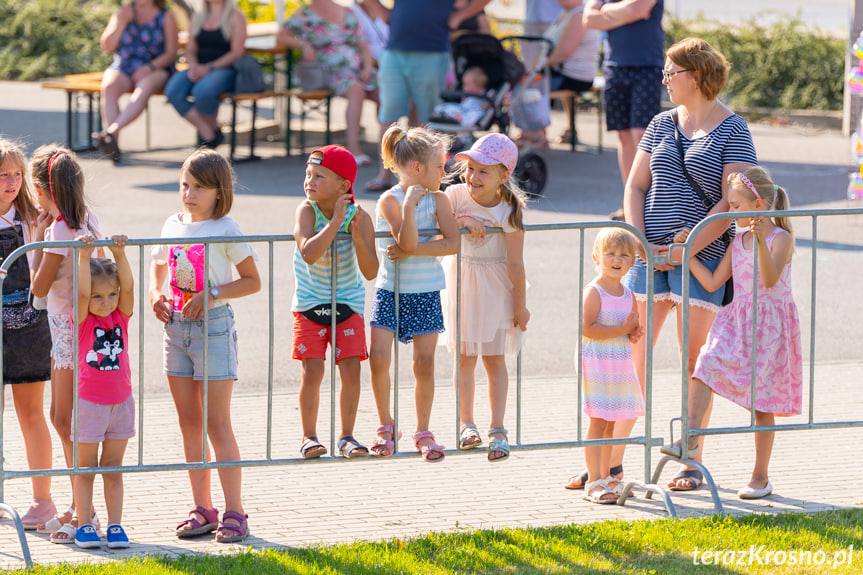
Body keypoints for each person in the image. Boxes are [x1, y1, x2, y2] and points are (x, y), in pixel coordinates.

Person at [621, 37, 757, 492]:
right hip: (650, 256)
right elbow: (636, 185)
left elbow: (732, 200)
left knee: (693, 362)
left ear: (696, 76)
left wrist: (692, 245)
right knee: (630, 356)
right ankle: (612, 460)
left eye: (670, 72)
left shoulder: (734, 129)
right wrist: (640, 241)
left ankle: (690, 460)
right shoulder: (660, 124)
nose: (663, 79)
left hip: (703, 260)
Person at [150, 148, 260, 542]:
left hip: (213, 329)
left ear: (219, 191)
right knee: (189, 424)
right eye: (185, 185)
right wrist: (154, 293)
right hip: (176, 329)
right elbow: (159, 263)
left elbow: (251, 280)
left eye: (199, 187)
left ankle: (236, 512)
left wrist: (212, 293)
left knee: (217, 423)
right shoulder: (171, 224)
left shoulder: (227, 228)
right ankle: (203, 508)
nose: (189, 194)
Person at [670, 167, 801, 499]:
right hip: (737, 319)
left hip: (769, 325)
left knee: (762, 402)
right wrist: (688, 255)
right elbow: (714, 281)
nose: (730, 212)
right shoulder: (738, 240)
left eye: (736, 206)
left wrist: (759, 239)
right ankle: (690, 438)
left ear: (758, 206)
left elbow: (770, 280)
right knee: (704, 368)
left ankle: (761, 476)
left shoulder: (780, 238)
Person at [368, 126, 459, 462]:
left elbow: (452, 243)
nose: (444, 172)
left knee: (423, 363)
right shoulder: (389, 200)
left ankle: (423, 429)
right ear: (417, 169)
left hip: (424, 291)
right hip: (390, 291)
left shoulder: (440, 199)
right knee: (377, 357)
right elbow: (402, 239)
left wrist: (412, 250)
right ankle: (386, 426)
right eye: (439, 166)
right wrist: (408, 207)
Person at [29, 145, 103, 541]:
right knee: (67, 418)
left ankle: (84, 511)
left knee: (66, 420)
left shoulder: (59, 230)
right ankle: (79, 504)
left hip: (69, 332)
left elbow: (38, 288)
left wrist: (37, 239)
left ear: (47, 192)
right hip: (79, 330)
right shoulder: (87, 220)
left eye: (36, 192)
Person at [442, 133, 529, 461]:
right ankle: (466, 423)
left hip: (496, 286)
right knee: (464, 356)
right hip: (462, 280)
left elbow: (516, 263)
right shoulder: (454, 195)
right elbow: (437, 224)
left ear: (503, 176)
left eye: (483, 171)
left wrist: (520, 306)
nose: (472, 177)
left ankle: (498, 428)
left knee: (494, 358)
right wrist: (460, 220)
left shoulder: (510, 209)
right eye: (471, 168)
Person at [292, 145, 378, 459]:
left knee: (351, 370)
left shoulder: (360, 217)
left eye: (318, 176)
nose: (309, 181)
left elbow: (371, 272)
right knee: (312, 370)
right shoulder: (306, 210)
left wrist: (356, 238)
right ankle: (309, 436)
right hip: (309, 304)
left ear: (344, 186)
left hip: (348, 304)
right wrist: (334, 222)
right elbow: (309, 253)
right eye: (308, 174)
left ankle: (347, 436)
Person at [362, 0, 493, 193]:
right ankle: (385, 175)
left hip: (432, 52)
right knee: (388, 115)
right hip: (394, 51)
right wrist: (381, 11)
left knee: (427, 118)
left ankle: (421, 177)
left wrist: (460, 15)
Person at [0, 140, 55, 531]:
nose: (12, 182)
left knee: (31, 413)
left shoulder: (33, 219)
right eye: (3, 174)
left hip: (29, 327)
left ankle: (43, 501)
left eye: (18, 174)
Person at [68, 234, 134, 550]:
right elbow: (81, 294)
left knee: (113, 468)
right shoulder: (81, 320)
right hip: (89, 405)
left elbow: (130, 290)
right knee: (85, 469)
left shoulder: (120, 315)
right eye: (97, 296)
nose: (105, 302)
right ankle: (84, 525)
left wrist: (120, 256)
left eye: (111, 294)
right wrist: (84, 258)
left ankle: (116, 525)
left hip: (121, 404)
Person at [578, 228, 643, 504]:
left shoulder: (628, 294)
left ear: (633, 261)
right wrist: (621, 328)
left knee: (611, 422)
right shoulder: (594, 292)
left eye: (624, 255)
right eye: (610, 254)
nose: (617, 260)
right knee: (598, 421)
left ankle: (605, 476)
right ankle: (593, 480)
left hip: (618, 367)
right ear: (597, 257)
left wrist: (632, 332)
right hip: (598, 366)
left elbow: (629, 328)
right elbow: (587, 328)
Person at [583, 0, 664, 220]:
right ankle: (630, 202)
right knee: (624, 135)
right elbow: (588, 19)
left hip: (647, 64)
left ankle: (648, 201)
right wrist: (623, 12)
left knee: (642, 134)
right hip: (614, 66)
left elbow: (639, 9)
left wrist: (607, 12)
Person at [277, 0, 377, 165]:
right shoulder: (304, 13)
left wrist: (367, 68)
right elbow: (281, 36)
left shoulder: (347, 12)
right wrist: (303, 44)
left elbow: (363, 46)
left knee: (384, 91)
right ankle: (354, 149)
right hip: (328, 72)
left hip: (358, 68)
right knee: (356, 90)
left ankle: (390, 147)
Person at [97, 0, 178, 163]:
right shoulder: (123, 13)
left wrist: (149, 67)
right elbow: (107, 46)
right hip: (124, 66)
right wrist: (122, 22)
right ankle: (113, 145)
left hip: (155, 68)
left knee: (145, 86)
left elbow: (171, 53)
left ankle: (111, 131)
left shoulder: (166, 16)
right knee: (109, 86)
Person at [164, 0, 246, 148]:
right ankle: (210, 133)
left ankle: (208, 141)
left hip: (224, 68)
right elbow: (190, 49)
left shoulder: (235, 16)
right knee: (173, 91)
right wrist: (195, 66)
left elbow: (237, 53)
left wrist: (209, 67)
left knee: (202, 91)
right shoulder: (198, 16)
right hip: (198, 66)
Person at [544, 0, 601, 144]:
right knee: (535, 79)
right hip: (567, 73)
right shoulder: (568, 14)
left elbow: (563, 53)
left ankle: (535, 133)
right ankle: (568, 129)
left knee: (533, 83)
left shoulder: (578, 15)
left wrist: (536, 67)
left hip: (575, 77)